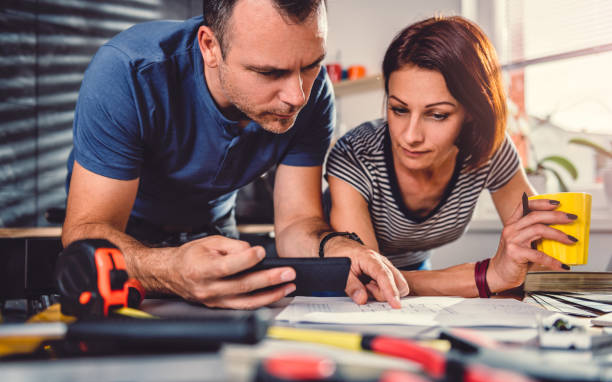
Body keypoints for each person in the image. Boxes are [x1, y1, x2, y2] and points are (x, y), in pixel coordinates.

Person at [62, 0, 409, 310]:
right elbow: (87, 231)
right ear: (210, 46)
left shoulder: (315, 95)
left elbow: (297, 224)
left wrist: (336, 249)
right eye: (269, 72)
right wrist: (168, 269)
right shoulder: (128, 72)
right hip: (129, 242)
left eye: (310, 65)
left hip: (214, 231)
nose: (297, 96)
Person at [325, 16, 577, 298]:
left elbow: (544, 260)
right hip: (335, 287)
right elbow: (371, 280)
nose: (410, 135)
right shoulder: (355, 154)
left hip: (423, 279)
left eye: (437, 115)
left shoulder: (489, 151)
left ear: (472, 111)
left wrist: (530, 258)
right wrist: (488, 275)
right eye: (399, 109)